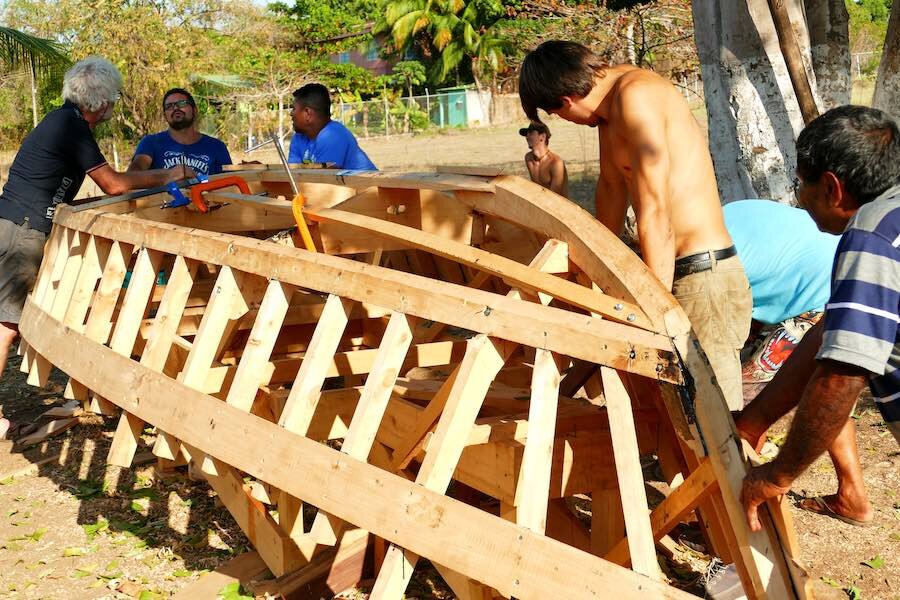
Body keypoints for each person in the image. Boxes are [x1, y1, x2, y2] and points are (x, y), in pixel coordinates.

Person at [519, 40, 750, 410]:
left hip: (701, 276)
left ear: (565, 102)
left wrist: (654, 306)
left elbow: (655, 211)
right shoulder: (608, 110)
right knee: (675, 418)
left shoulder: (636, 96)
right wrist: (592, 269)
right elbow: (611, 188)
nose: (565, 122)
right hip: (669, 269)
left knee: (714, 417)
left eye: (558, 115)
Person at [0, 57, 192, 437]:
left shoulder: (63, 122)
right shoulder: (71, 127)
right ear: (100, 102)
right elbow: (114, 184)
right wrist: (169, 175)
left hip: (14, 222)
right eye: (114, 99)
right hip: (21, 231)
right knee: (5, 325)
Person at [739, 105, 900, 535]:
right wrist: (755, 420)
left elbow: (842, 375)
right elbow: (832, 334)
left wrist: (777, 474)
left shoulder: (872, 235)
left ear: (831, 187)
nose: (798, 197)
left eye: (801, 183)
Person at [723, 200, 839, 395]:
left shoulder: (835, 233)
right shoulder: (837, 289)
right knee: (742, 389)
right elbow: (751, 381)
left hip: (714, 231)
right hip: (718, 271)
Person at [128, 88, 232, 176]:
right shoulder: (150, 143)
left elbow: (230, 185)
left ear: (195, 110)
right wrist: (169, 175)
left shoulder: (217, 147)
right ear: (165, 116)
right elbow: (133, 174)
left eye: (182, 104)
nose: (176, 108)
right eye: (169, 106)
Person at [288, 83, 376, 170]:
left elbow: (324, 179)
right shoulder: (298, 138)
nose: (291, 113)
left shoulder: (332, 135)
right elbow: (292, 173)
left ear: (308, 113)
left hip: (364, 184)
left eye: (294, 109)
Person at [520, 122, 568, 197]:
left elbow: (555, 196)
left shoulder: (556, 162)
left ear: (542, 136)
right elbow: (535, 188)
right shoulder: (528, 158)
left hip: (558, 206)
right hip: (539, 203)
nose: (527, 137)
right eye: (526, 134)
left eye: (531, 133)